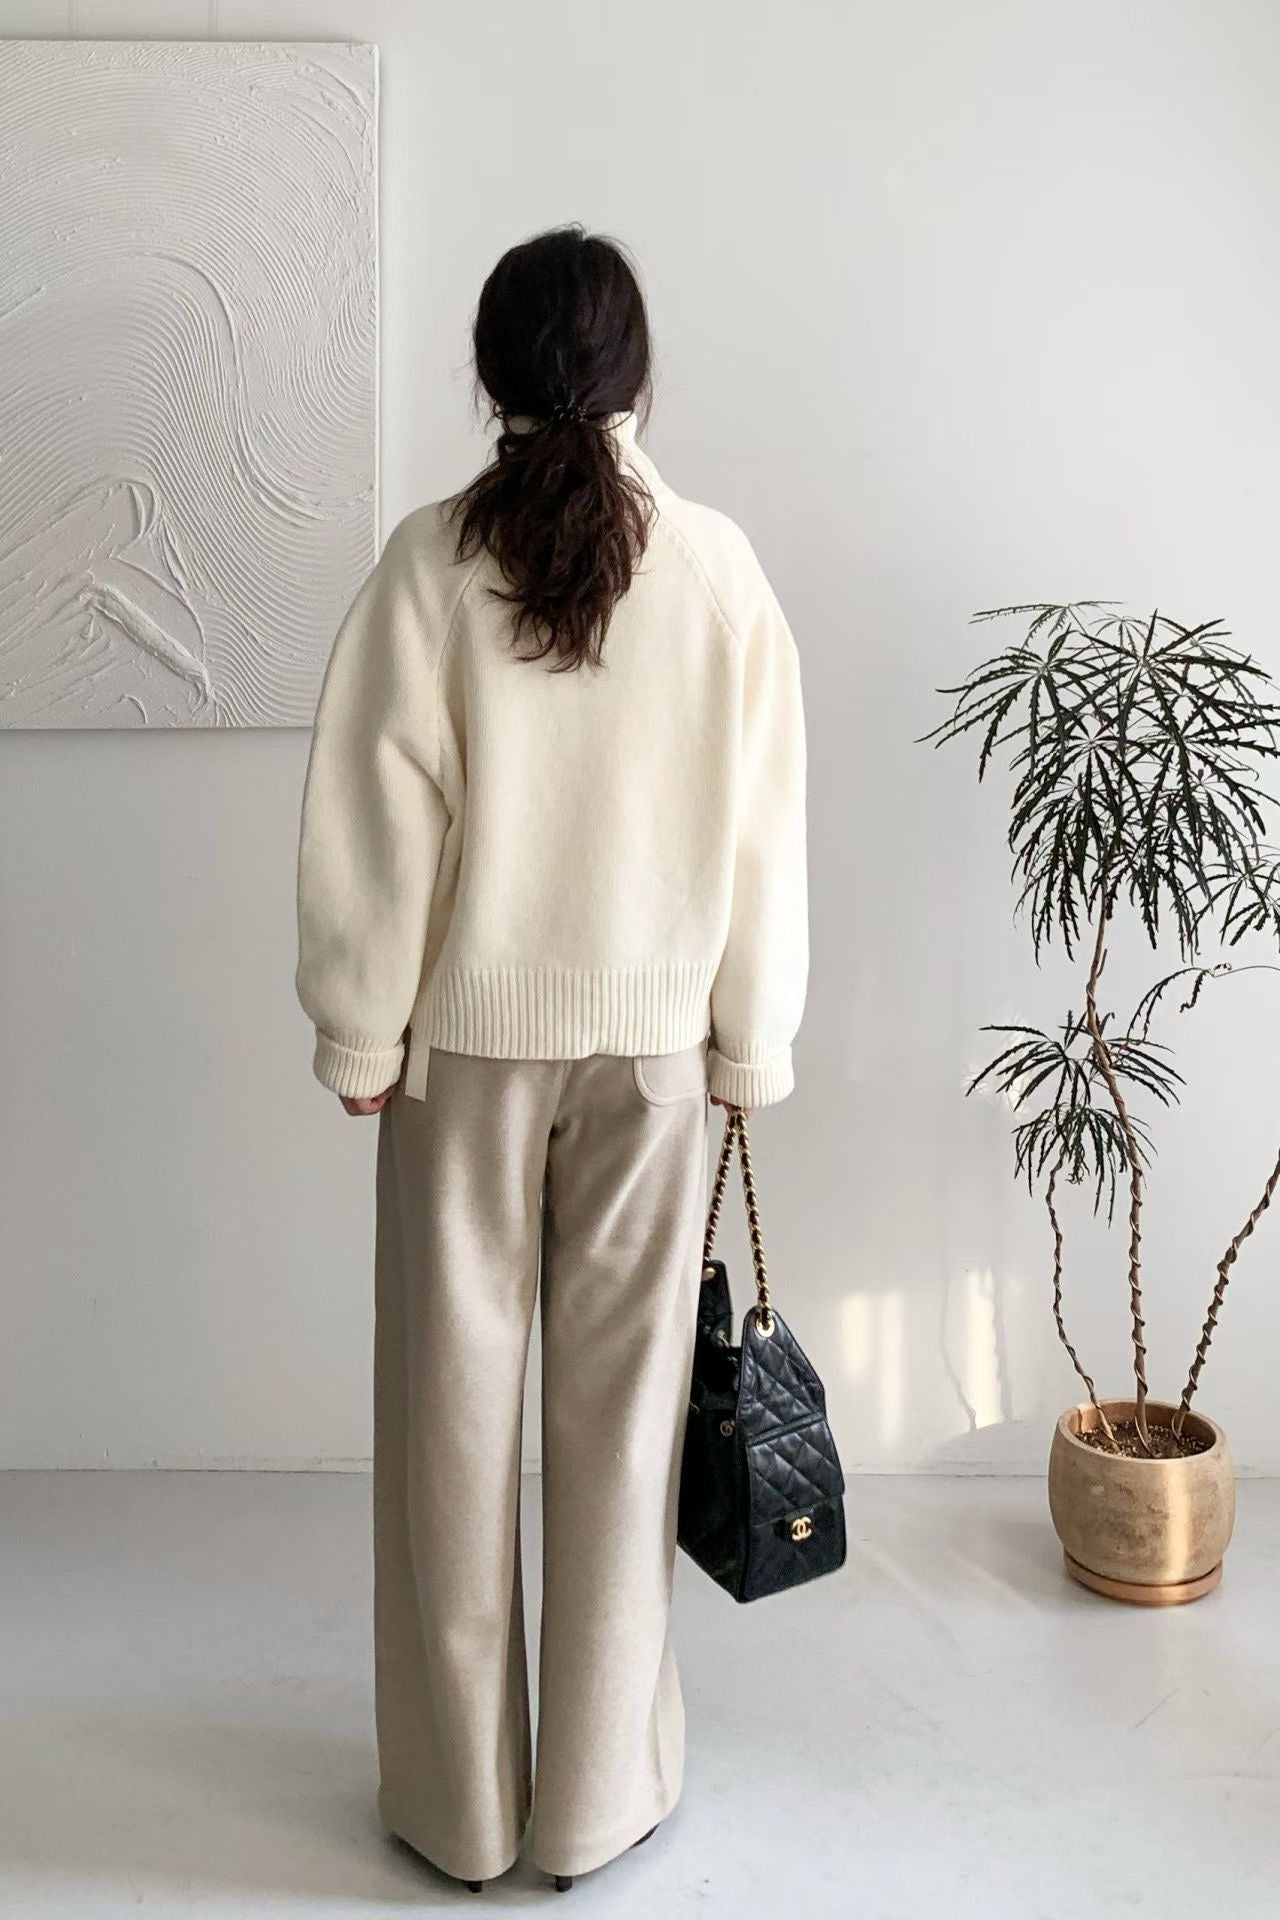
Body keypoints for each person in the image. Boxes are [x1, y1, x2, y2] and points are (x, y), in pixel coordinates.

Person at [295, 224, 808, 1892]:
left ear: (491, 372)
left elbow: (381, 817)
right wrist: (751, 1040)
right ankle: (592, 1805)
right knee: (624, 1423)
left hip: (464, 1057)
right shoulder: (716, 569)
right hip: (652, 1061)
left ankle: (459, 1812)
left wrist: (361, 1025)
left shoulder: (429, 563)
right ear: (636, 373)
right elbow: (761, 836)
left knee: (450, 1426)